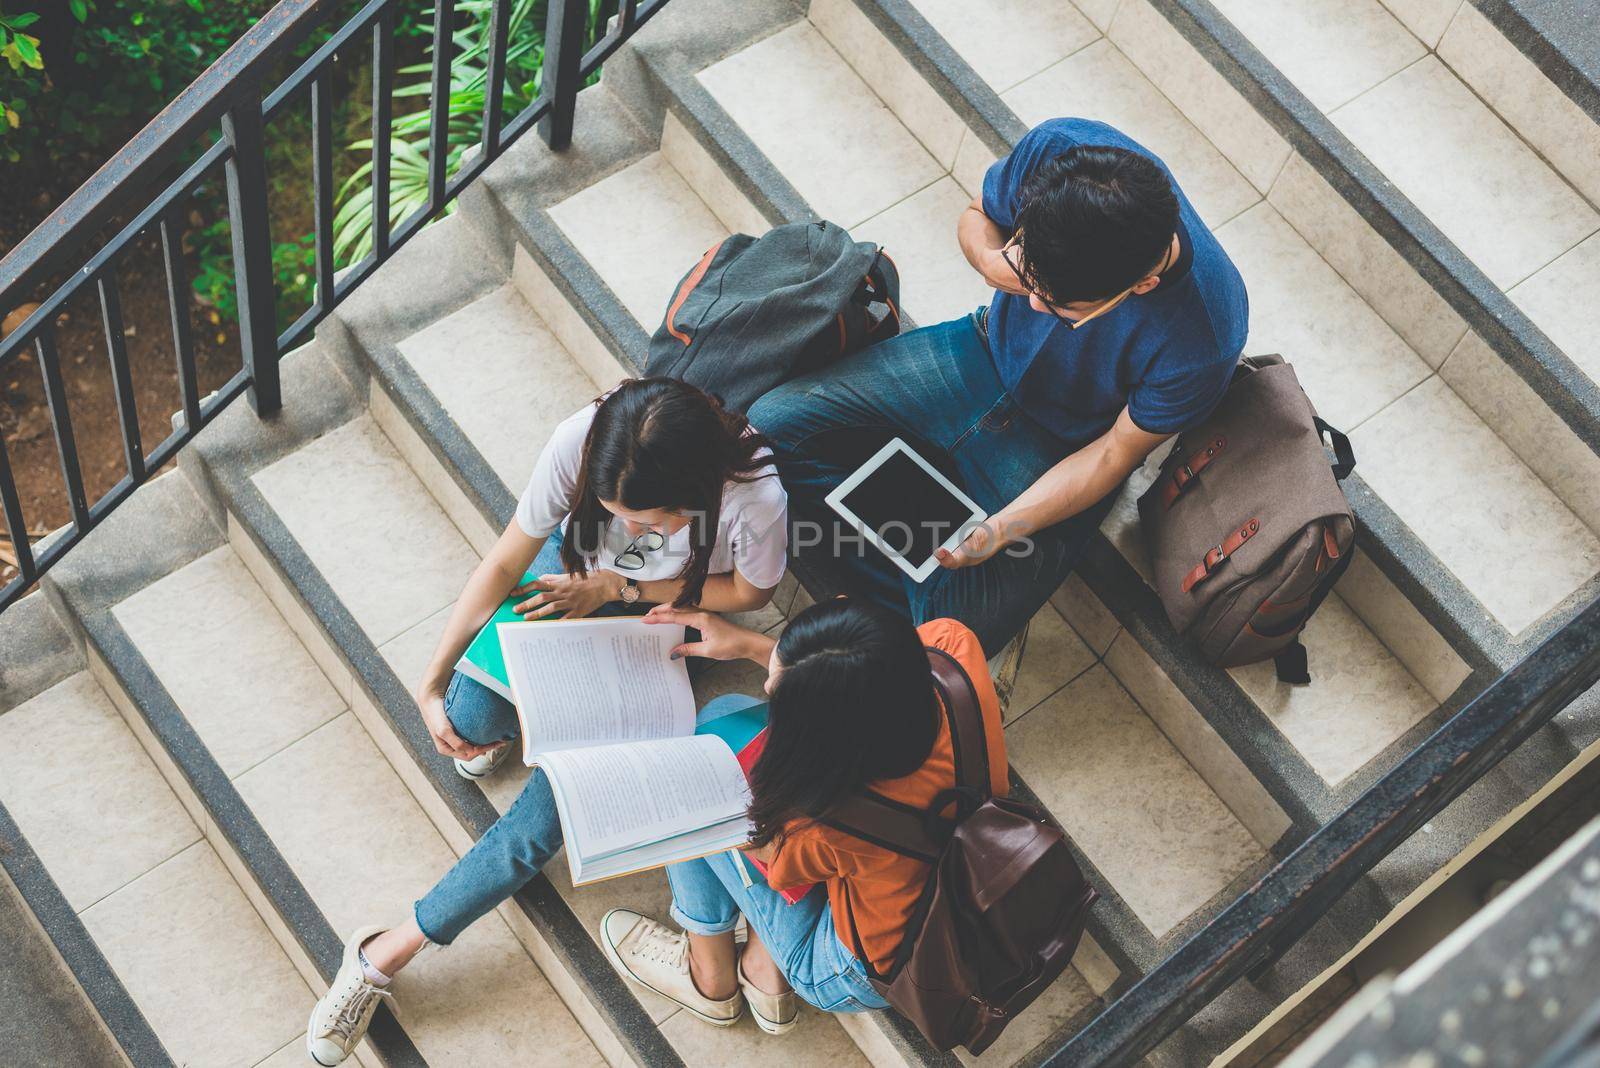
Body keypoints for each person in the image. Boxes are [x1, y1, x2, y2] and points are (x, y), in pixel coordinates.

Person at [303, 377, 788, 1067]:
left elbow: (750, 590)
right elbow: (507, 558)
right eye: (617, 511)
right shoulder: (582, 441)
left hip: (652, 619)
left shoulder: (754, 497)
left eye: (653, 522)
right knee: (469, 720)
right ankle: (527, 708)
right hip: (570, 577)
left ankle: (384, 954)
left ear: (694, 493)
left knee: (544, 820)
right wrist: (433, 679)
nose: (637, 530)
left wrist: (619, 586)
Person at [747, 117, 1249, 656]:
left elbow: (1112, 456)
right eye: (1029, 277)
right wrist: (992, 262)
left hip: (1065, 441)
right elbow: (977, 217)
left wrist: (1000, 531)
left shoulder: (1206, 335)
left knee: (956, 633)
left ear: (1142, 285)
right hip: (976, 350)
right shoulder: (1061, 151)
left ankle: (891, 589)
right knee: (770, 424)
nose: (1031, 302)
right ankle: (899, 577)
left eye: (1056, 305)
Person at [599, 597, 1007, 1033]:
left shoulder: (828, 821)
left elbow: (775, 865)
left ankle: (710, 975)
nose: (766, 687)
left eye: (780, 690)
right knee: (722, 716)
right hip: (957, 860)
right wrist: (754, 647)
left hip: (850, 968)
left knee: (689, 780)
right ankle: (760, 963)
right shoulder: (949, 645)